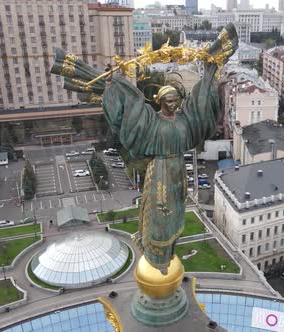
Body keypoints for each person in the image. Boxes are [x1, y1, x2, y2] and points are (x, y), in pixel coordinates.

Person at [52, 24, 238, 274]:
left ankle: (168, 251)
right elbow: (132, 111)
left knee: (176, 210)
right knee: (159, 212)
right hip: (159, 171)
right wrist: (113, 85)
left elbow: (201, 107)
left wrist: (212, 75)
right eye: (168, 101)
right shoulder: (151, 122)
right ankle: (155, 254)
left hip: (177, 172)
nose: (173, 104)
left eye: (176, 101)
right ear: (160, 101)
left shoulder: (185, 120)